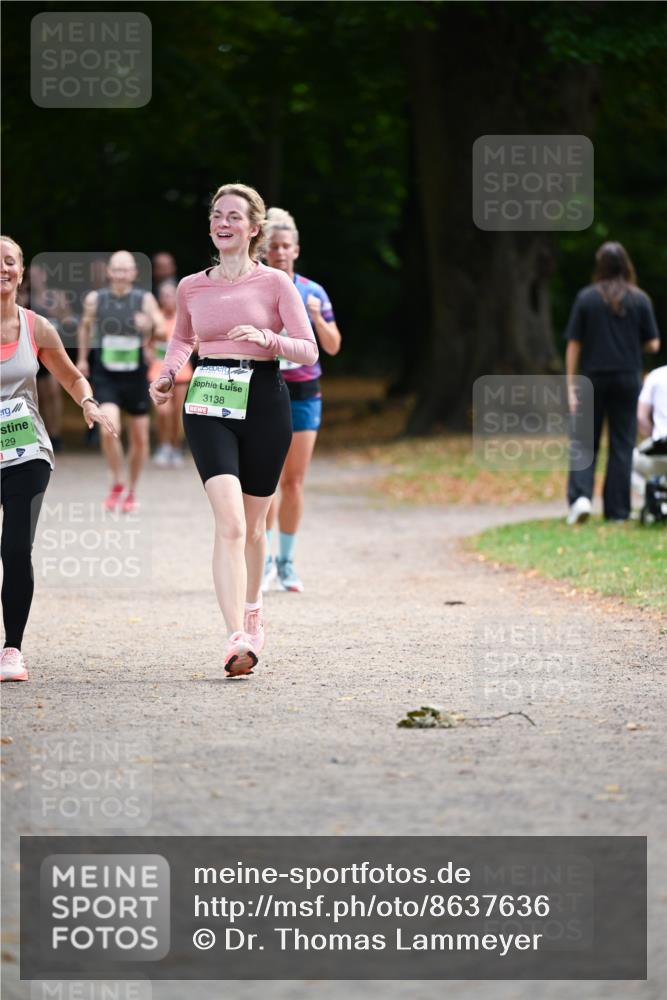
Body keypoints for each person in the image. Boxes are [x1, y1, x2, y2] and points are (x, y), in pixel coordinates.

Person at [149, 183, 318, 676]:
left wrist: (266, 338)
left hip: (265, 399)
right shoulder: (190, 287)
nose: (223, 223)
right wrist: (165, 376)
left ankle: (253, 606)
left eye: (234, 216)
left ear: (253, 228)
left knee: (255, 524)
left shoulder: (275, 285)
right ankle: (235, 636)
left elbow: (307, 349)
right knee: (230, 523)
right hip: (208, 399)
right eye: (216, 215)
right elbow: (182, 339)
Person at [1, 236, 116, 682]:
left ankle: (12, 649)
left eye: (9, 262)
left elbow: (71, 377)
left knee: (14, 547)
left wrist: (88, 403)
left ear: (22, 271)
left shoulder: (36, 327)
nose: (3, 269)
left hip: (26, 450)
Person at [261, 208, 342, 592]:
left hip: (304, 391)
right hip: (264, 388)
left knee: (293, 481)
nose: (279, 252)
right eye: (273, 246)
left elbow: (334, 345)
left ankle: (287, 561)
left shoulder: (314, 291)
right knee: (266, 480)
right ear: (263, 250)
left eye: (285, 246)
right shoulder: (256, 289)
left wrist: (317, 320)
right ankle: (261, 562)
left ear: (296, 249)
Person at [565, 241, 661, 525]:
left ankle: (581, 498)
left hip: (593, 377)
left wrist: (571, 384)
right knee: (621, 444)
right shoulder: (639, 299)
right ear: (626, 265)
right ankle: (617, 511)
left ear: (600, 266)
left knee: (584, 442)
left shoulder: (586, 299)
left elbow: (574, 344)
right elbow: (654, 343)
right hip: (628, 379)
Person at [76, 251, 164, 512]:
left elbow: (161, 328)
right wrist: (82, 359)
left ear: (134, 273)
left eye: (126, 269)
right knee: (107, 428)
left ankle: (132, 490)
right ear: (109, 272)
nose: (121, 273)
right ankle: (116, 482)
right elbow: (85, 327)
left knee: (139, 438)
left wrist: (147, 323)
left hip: (136, 374)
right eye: (117, 269)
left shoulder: (144, 299)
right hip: (106, 374)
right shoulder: (96, 299)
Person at [148, 281, 192, 467]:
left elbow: (195, 344)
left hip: (181, 373)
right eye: (164, 295)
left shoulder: (185, 317)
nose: (167, 298)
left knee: (177, 414)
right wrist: (150, 355)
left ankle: (175, 447)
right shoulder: (154, 318)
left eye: (170, 294)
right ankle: (163, 445)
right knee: (163, 412)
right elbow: (146, 344)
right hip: (158, 371)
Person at [632, 364, 667, 498]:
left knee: (625, 460)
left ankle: (654, 497)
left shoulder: (656, 375)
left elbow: (641, 416)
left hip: (660, 450)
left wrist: (652, 434)